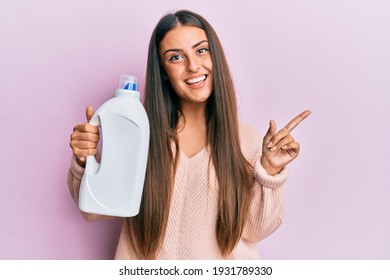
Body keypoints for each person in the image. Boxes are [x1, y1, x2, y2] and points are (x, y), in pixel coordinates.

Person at [68, 10, 311, 260]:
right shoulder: (139, 133)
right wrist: (88, 161)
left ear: (215, 56)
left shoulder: (246, 141)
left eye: (201, 50)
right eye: (175, 57)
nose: (193, 65)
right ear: (163, 71)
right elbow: (93, 212)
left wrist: (269, 171)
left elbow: (255, 231)